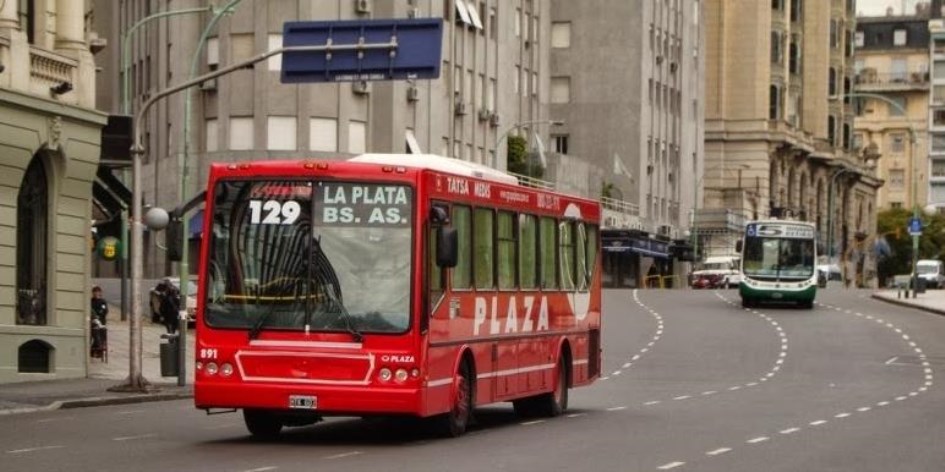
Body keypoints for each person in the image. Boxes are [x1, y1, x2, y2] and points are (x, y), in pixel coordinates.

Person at [90, 286, 108, 358]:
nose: (96, 294)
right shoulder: (91, 301)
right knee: (95, 331)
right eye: (95, 292)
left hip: (101, 321)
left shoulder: (102, 301)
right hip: (93, 321)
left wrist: (100, 314)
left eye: (98, 292)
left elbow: (105, 310)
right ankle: (98, 348)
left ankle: (97, 349)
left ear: (100, 293)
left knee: (102, 332)